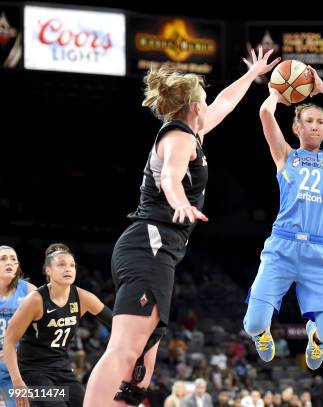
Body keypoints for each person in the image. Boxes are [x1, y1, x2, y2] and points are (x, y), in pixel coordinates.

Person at [82, 47, 280, 406]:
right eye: (204, 99)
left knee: (145, 357)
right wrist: (181, 203)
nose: (209, 105)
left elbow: (225, 103)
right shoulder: (179, 137)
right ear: (194, 106)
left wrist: (252, 76)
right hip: (149, 243)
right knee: (126, 349)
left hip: (159, 250)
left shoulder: (193, 133)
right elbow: (171, 178)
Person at [243, 66, 323, 370]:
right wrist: (275, 92)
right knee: (252, 325)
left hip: (319, 252)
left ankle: (314, 336)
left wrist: (321, 86)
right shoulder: (285, 155)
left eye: (321, 122)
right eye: (310, 121)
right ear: (297, 127)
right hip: (282, 246)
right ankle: (263, 333)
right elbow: (266, 115)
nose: (317, 126)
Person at [4, 243, 112, 407]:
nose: (68, 269)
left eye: (72, 265)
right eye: (61, 265)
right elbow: (9, 340)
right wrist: (18, 383)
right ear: (48, 270)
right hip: (32, 372)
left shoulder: (83, 297)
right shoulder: (35, 300)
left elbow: (116, 322)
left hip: (62, 369)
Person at [0, 246, 36, 406]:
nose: (10, 262)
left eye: (13, 259)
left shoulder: (29, 290)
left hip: (20, 363)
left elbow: (46, 329)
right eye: (3, 259)